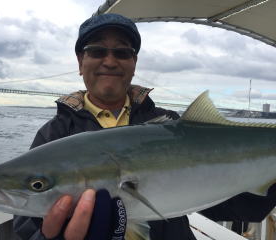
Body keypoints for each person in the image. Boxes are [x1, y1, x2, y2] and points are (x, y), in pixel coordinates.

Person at [14, 13, 276, 240]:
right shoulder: (54, 135)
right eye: (97, 51)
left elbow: (237, 208)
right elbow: (26, 223)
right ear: (80, 62)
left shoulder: (173, 126)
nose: (110, 61)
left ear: (134, 62)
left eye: (122, 52)